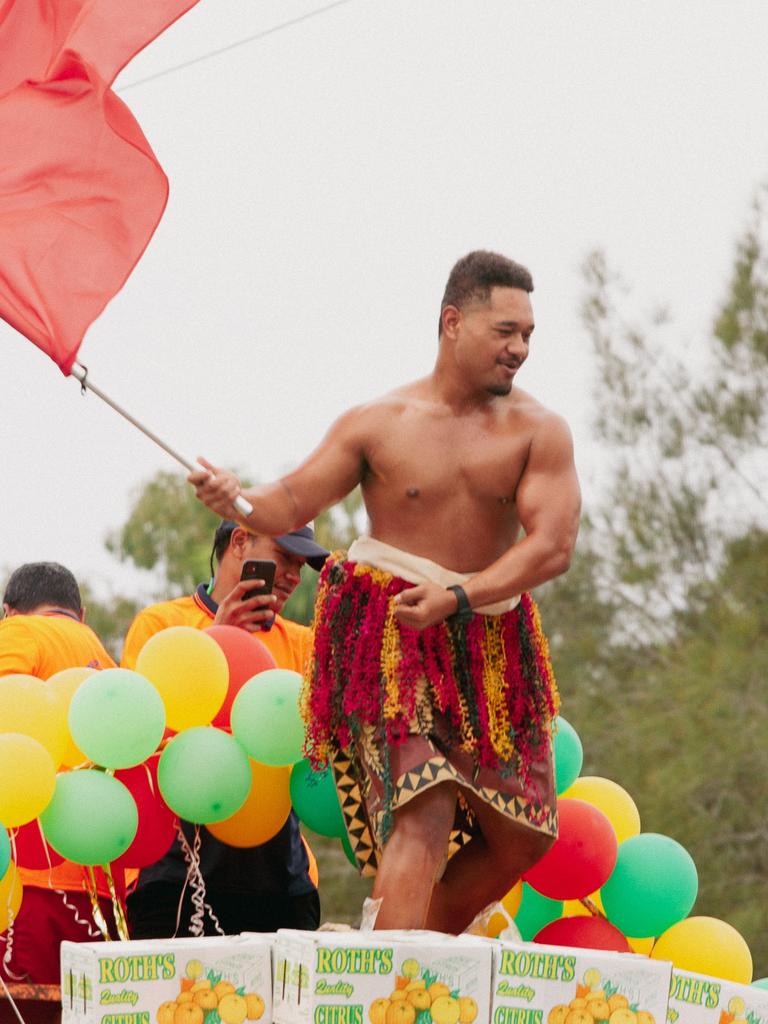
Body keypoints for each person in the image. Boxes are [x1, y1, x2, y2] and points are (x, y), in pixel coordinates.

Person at [189, 250, 582, 933]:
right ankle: (395, 987)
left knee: (525, 835)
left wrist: (459, 598)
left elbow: (553, 545)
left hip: (489, 642)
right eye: (505, 331)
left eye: (528, 335)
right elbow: (286, 500)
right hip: (391, 629)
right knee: (424, 805)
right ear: (453, 322)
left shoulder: (539, 430)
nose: (519, 348)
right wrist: (237, 499)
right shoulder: (377, 422)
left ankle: (400, 947)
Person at [121, 521, 329, 937]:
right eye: (285, 557)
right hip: (174, 876)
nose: (293, 575)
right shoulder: (161, 625)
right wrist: (220, 635)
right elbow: (139, 737)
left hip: (279, 878)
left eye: (302, 566)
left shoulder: (305, 643)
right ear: (239, 542)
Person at [0, 562, 120, 984]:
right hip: (101, 883)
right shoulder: (108, 663)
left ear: (9, 610)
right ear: (81, 614)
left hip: (24, 876)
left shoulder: (18, 632)